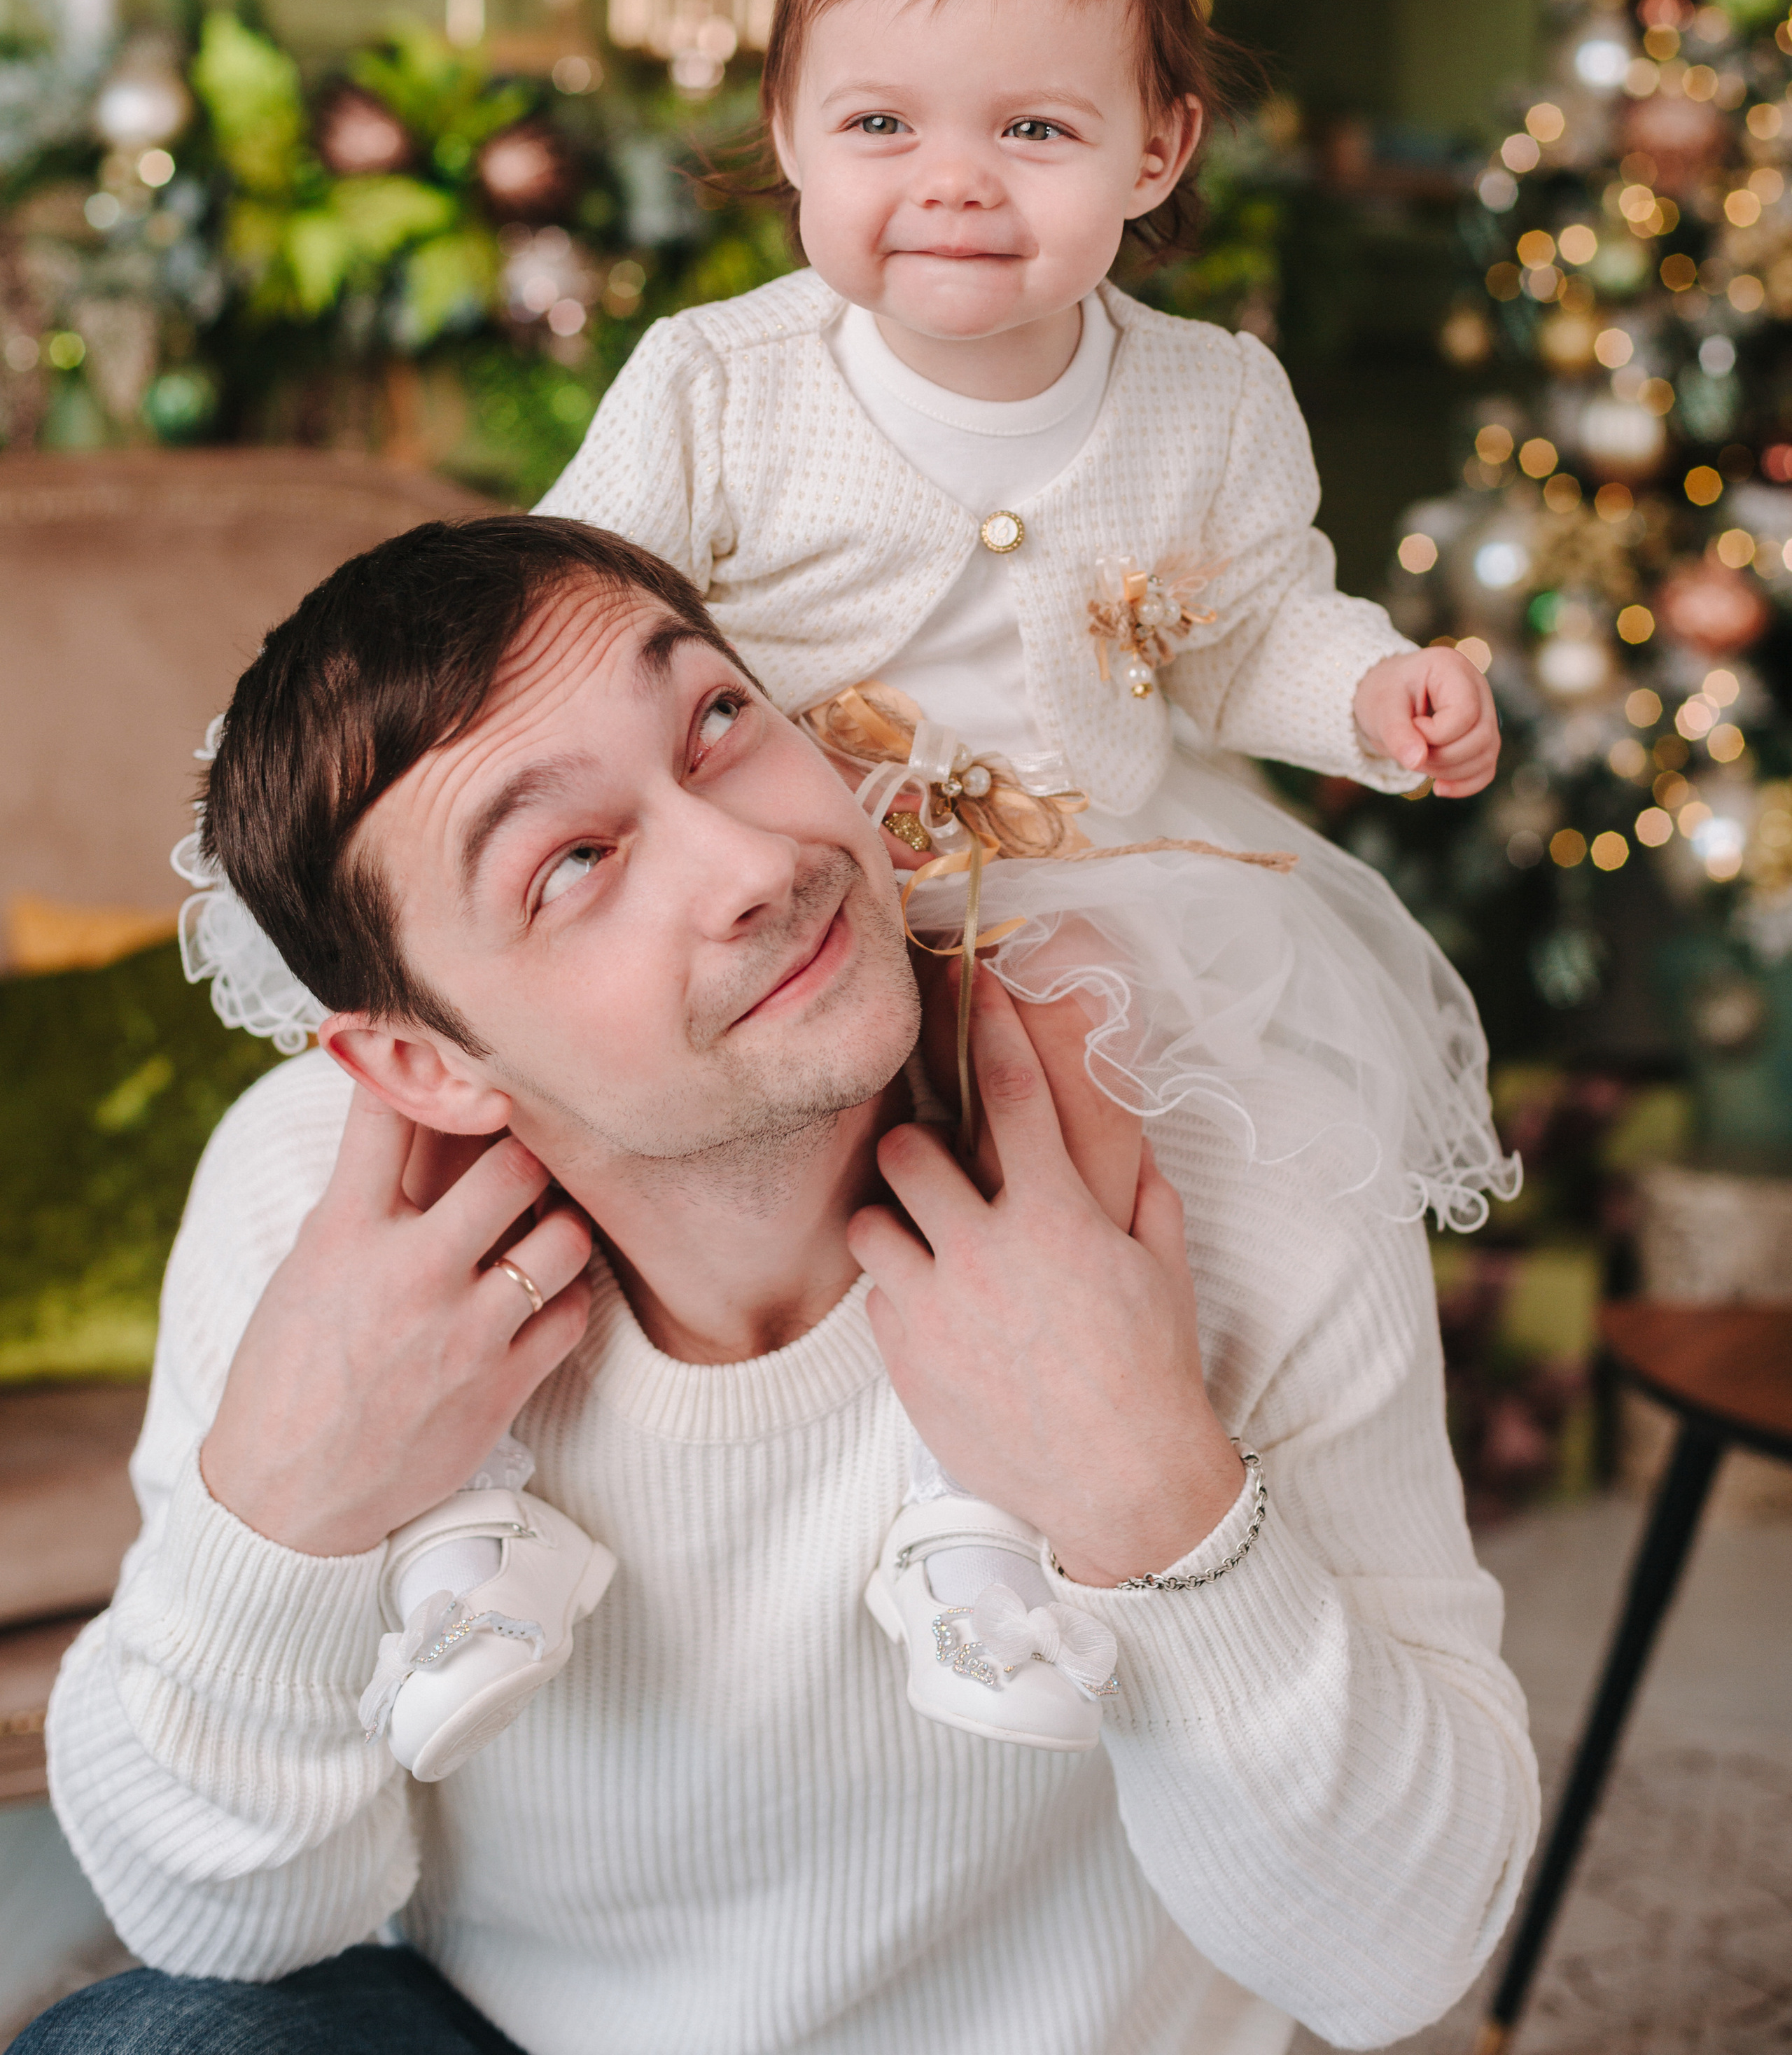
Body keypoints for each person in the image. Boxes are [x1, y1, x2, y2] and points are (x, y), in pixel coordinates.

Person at [34, 513, 1536, 2055]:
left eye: (715, 724)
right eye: (571, 864)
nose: (758, 864)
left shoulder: (1225, 1150)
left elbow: (1396, 1958)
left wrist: (1151, 1493)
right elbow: (231, 1921)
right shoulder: (328, 1224)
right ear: (422, 1065)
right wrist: (280, 1517)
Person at [526, 0, 1520, 1736]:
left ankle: (985, 1534)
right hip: (789, 894)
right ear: (795, 126)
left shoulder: (1210, 400)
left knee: (1062, 1182)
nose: (955, 184)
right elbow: (564, 619)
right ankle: (488, 1525)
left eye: (1036, 131)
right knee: (640, 1136)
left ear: (1156, 150)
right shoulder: (721, 387)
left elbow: (1245, 630)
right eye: (884, 124)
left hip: (1091, 884)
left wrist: (1379, 690)